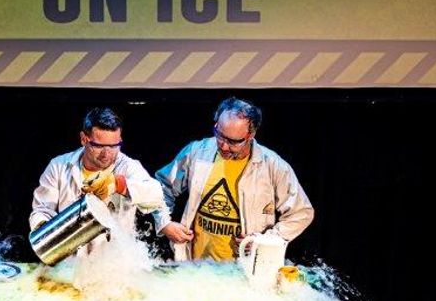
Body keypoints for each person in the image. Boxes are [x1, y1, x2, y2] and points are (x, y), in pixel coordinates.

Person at [155, 97, 313, 261]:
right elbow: (161, 186)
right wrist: (164, 223)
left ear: (251, 135)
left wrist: (266, 241)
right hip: (197, 267)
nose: (223, 146)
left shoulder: (273, 166)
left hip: (245, 269)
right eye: (219, 135)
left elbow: (301, 212)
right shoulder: (197, 152)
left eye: (233, 142)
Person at [30, 107, 181, 250]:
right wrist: (46, 232)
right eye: (99, 146)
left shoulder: (127, 166)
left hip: (111, 260)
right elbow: (43, 209)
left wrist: (119, 184)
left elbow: (155, 195)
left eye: (114, 146)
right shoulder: (59, 166)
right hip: (68, 258)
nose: (106, 153)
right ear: (84, 139)